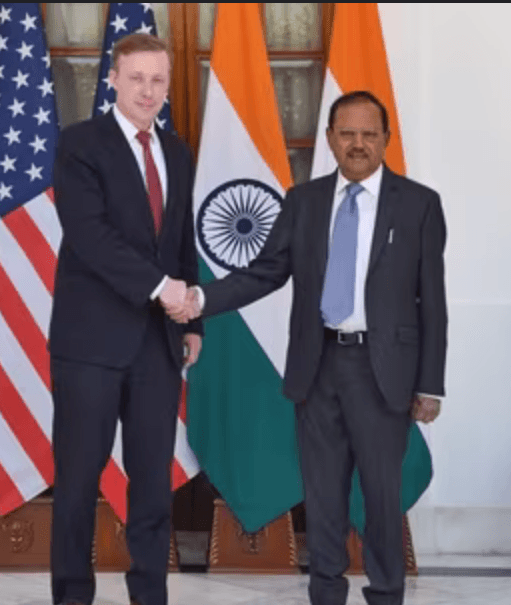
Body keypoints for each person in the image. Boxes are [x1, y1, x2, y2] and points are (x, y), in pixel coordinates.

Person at [174, 91, 447, 605]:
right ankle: (326, 595)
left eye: (369, 134)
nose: (358, 144)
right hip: (317, 367)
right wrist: (201, 299)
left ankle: (387, 594)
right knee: (322, 499)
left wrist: (430, 384)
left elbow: (432, 300)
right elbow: (265, 273)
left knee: (381, 498)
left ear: (386, 139)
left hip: (383, 373)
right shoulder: (303, 201)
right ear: (330, 139)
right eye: (348, 134)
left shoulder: (419, 205)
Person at [48, 33, 203, 605]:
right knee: (77, 485)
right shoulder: (79, 143)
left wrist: (192, 323)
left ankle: (149, 595)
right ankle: (72, 596)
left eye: (158, 79)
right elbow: (89, 235)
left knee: (153, 488)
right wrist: (162, 289)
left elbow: (180, 240)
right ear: (112, 79)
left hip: (157, 346)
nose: (147, 90)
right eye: (136, 78)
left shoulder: (177, 151)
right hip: (89, 345)